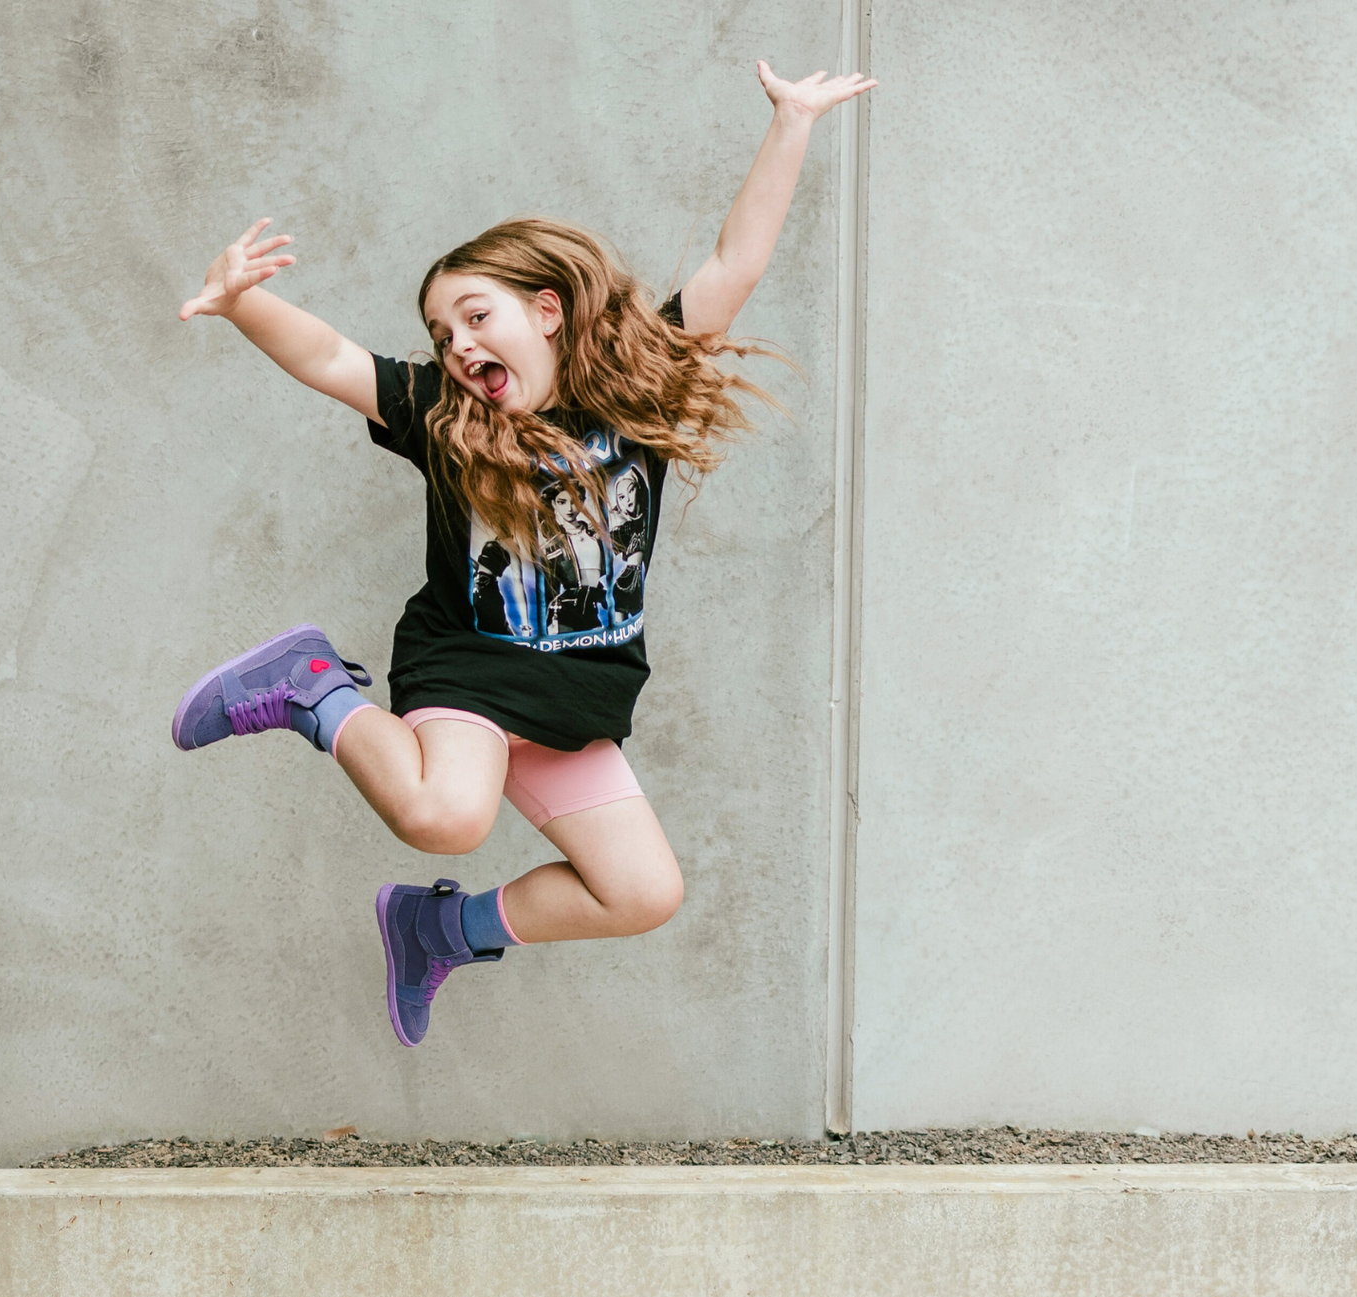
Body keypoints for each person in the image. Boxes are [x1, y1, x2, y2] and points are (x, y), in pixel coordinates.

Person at [170, 61, 876, 1046]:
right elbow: (330, 358)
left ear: (544, 310)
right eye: (438, 330)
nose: (455, 344)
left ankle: (437, 926)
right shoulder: (442, 416)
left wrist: (792, 122)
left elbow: (733, 265)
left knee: (639, 890)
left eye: (474, 316)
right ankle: (311, 686)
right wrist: (243, 303)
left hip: (577, 688)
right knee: (444, 815)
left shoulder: (638, 392)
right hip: (468, 666)